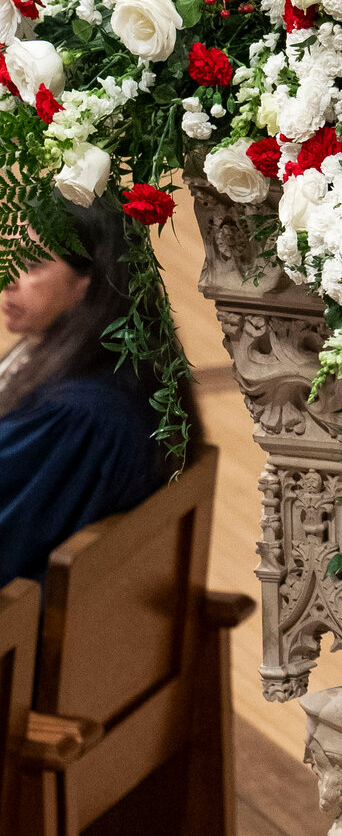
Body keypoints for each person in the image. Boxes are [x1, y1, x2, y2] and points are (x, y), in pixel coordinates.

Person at [0, 201, 173, 584]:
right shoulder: (92, 356)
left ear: (88, 284)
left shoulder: (79, 413)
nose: (6, 279)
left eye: (31, 265)